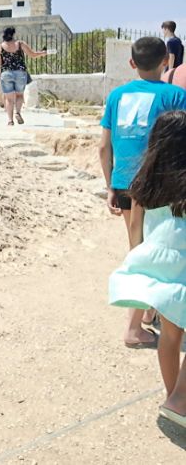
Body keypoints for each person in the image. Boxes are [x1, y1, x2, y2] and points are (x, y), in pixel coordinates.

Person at [99, 36, 186, 350]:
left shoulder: (117, 95)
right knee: (163, 248)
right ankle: (137, 325)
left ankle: (148, 312)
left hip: (125, 182)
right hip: (163, 183)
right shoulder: (175, 94)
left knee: (138, 247)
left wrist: (110, 185)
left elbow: (103, 146)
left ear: (132, 63)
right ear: (166, 62)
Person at [108, 111, 186, 426]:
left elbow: (135, 229)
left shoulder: (143, 180)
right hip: (182, 262)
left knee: (170, 335)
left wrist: (139, 262)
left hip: (156, 264)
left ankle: (175, 398)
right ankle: (179, 400)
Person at [0, 27, 47, 126]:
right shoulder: (20, 44)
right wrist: (43, 53)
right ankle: (18, 113)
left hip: (6, 73)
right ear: (13, 34)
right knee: (19, 95)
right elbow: (32, 55)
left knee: (9, 99)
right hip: (20, 72)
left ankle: (10, 121)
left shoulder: (0, 46)